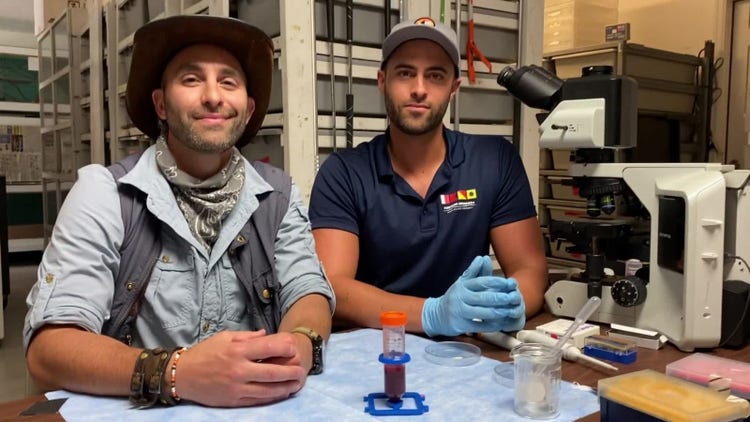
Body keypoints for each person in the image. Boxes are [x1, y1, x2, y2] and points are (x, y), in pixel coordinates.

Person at [24, 15, 334, 408]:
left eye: (228, 82)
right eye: (191, 79)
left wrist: (300, 344)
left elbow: (307, 291)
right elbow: (49, 350)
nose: (213, 96)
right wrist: (177, 372)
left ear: (249, 108)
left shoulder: (278, 196)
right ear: (161, 104)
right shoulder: (105, 194)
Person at [309, 17, 547, 337]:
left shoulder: (495, 160)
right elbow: (333, 287)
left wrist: (510, 306)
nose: (419, 89)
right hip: (379, 348)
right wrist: (432, 314)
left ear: (453, 88)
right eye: (405, 73)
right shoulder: (343, 173)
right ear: (382, 81)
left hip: (468, 348)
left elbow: (529, 268)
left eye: (435, 76)